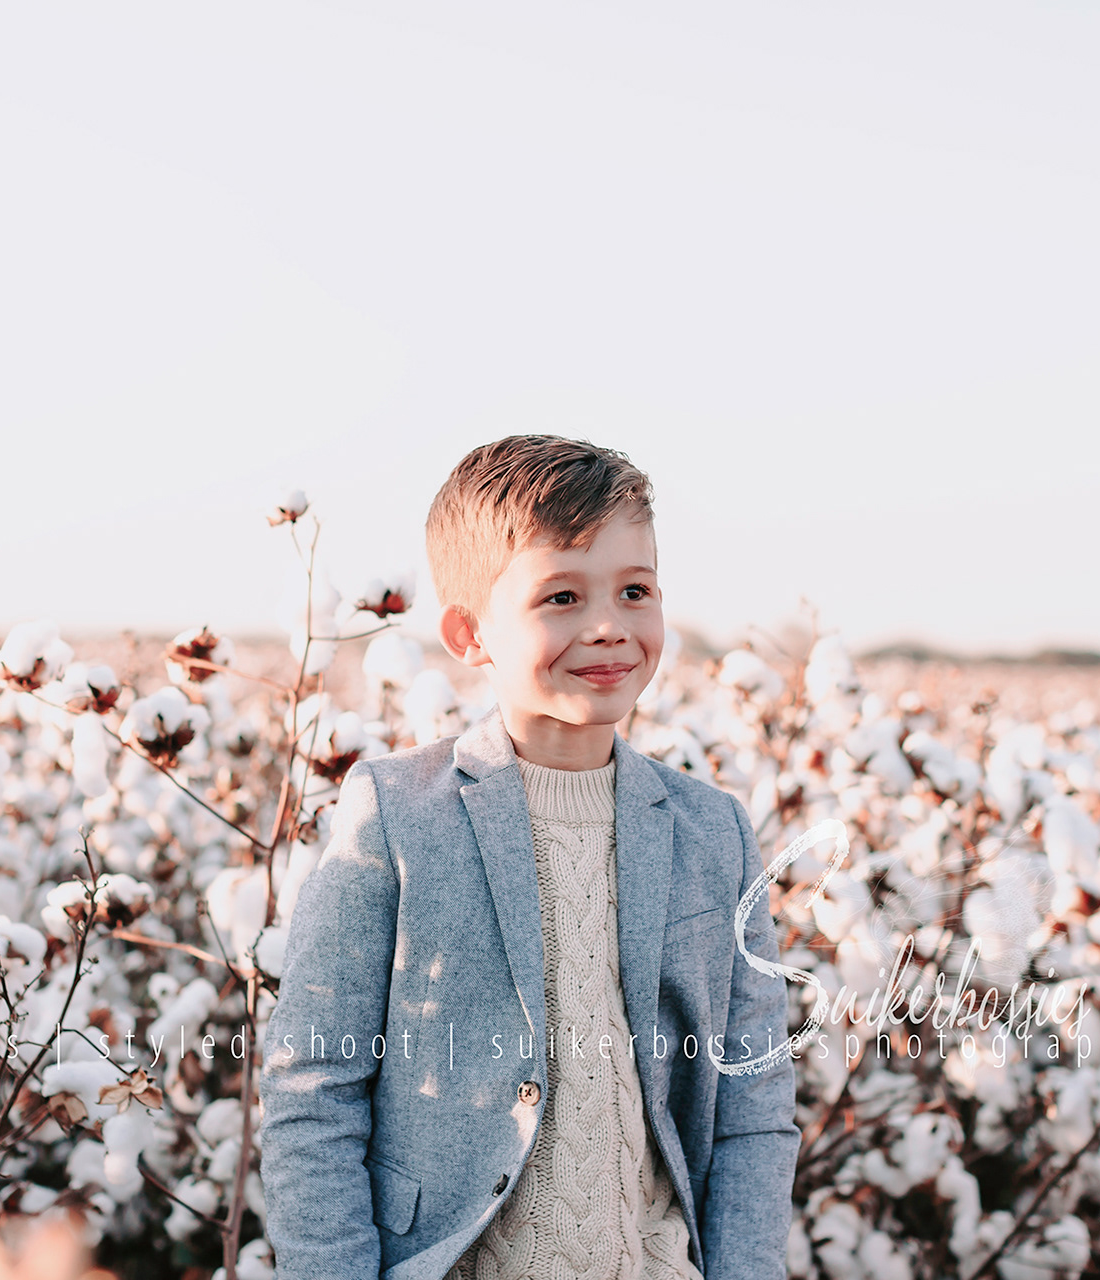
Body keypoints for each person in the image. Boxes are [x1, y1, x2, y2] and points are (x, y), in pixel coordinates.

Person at [259, 435, 798, 1280]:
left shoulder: (713, 831)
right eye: (562, 596)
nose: (609, 626)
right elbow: (312, 1091)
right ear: (470, 633)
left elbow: (752, 1108)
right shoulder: (397, 815)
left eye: (635, 591)